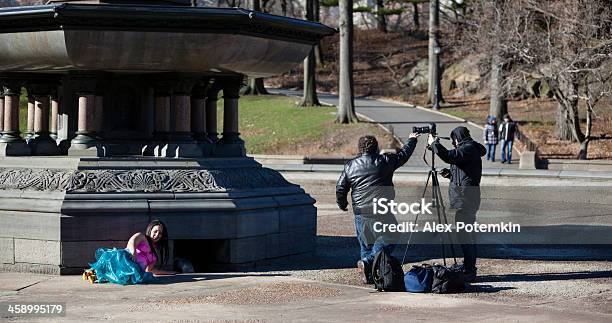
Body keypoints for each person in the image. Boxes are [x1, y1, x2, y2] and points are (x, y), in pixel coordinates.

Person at [336, 133, 420, 284]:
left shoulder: (350, 165)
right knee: (392, 235)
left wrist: (342, 204)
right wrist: (412, 139)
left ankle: (368, 275)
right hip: (381, 210)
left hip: (360, 211)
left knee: (366, 244)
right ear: (376, 148)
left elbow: (341, 187)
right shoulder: (385, 160)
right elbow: (404, 155)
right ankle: (368, 263)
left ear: (360, 149)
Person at [428, 126, 486, 282]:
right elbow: (462, 171)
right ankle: (468, 266)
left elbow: (449, 156)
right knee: (465, 233)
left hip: (466, 199)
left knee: (466, 235)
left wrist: (435, 144)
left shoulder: (467, 148)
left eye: (453, 141)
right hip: (466, 197)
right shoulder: (468, 149)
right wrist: (449, 174)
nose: (453, 144)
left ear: (457, 138)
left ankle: (469, 269)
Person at [83, 220, 175, 285]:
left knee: (121, 275)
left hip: (134, 271)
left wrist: (168, 272)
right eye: (155, 231)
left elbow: (149, 270)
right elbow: (132, 240)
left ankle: (94, 276)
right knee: (112, 265)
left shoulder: (154, 255)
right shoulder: (142, 237)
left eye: (160, 233)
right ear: (150, 230)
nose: (157, 235)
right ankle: (91, 272)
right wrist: (133, 252)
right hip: (127, 260)